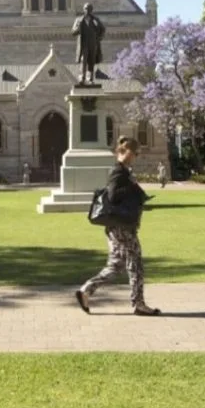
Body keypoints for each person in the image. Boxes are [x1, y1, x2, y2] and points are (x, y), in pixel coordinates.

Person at [76, 136, 161, 317]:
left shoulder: (123, 171)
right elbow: (113, 195)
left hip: (117, 227)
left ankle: (86, 290)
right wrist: (132, 187)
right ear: (125, 152)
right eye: (135, 153)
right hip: (122, 227)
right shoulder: (118, 171)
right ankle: (138, 303)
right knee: (135, 263)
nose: (136, 157)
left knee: (116, 265)